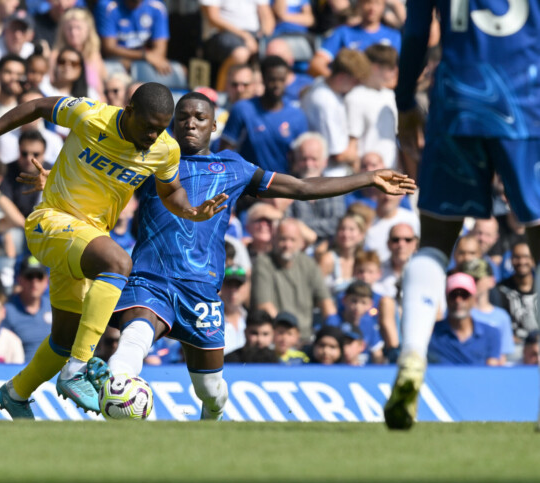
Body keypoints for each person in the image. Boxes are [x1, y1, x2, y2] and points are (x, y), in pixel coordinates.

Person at [101, 92, 412, 420]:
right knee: (134, 335)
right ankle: (119, 388)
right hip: (151, 278)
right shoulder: (152, 157)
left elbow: (302, 188)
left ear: (214, 125)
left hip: (200, 289)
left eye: (200, 118)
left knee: (209, 390)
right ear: (172, 124)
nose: (191, 123)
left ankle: (213, 415)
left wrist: (368, 178)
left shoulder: (233, 168)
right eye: (183, 117)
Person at [0, 83, 233, 416]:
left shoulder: (164, 149)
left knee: (64, 339)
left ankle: (16, 393)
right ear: (129, 111)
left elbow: (171, 191)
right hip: (51, 222)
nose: (153, 135)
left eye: (161, 128)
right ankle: (77, 370)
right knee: (118, 263)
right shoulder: (90, 116)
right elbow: (37, 106)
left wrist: (191, 211)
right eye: (149, 126)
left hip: (86, 241)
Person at [385, 0, 540, 430]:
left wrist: (404, 100)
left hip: (456, 105)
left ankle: (412, 354)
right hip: (525, 108)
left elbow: (417, 33)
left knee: (435, 239)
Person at [220, 56, 308, 175]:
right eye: (272, 79)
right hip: (249, 183)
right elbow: (225, 153)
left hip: (285, 184)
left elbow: (302, 158)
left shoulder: (297, 115)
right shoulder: (242, 109)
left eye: (281, 80)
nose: (277, 84)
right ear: (263, 78)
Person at [301, 49, 371, 176]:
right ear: (341, 77)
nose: (356, 87)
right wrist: (354, 139)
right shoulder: (326, 103)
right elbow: (338, 155)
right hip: (330, 177)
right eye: (355, 82)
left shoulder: (322, 83)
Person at [96, 0, 186, 89]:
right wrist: (144, 55)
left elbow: (159, 53)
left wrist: (141, 59)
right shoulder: (108, 5)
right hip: (117, 64)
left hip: (143, 64)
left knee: (181, 70)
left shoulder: (157, 6)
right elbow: (109, 49)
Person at [309, 0, 400, 78]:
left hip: (380, 89)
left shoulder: (394, 36)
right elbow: (316, 65)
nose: (372, 8)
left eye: (377, 3)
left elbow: (397, 72)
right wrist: (338, 83)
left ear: (384, 6)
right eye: (367, 2)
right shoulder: (343, 32)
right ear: (359, 5)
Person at [427, 273, 502, 366]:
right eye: (453, 295)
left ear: (473, 299)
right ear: (446, 298)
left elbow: (492, 370)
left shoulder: (491, 334)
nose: (458, 300)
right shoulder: (430, 333)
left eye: (464, 295)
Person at [458, 259, 515, 365]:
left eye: (477, 279)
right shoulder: (457, 312)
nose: (472, 283)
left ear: (491, 281)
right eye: (468, 279)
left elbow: (501, 358)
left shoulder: (501, 317)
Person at [2, 256, 53, 362]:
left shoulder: (54, 307)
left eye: (39, 277)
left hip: (55, 370)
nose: (34, 282)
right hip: (20, 369)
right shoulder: (6, 310)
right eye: (29, 276)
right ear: (19, 279)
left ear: (46, 281)